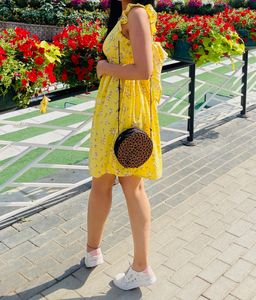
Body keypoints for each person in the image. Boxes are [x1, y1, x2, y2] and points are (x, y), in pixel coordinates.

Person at [85, 0, 168, 291]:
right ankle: (92, 250)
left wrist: (105, 67)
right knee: (102, 181)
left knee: (128, 187)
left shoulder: (135, 13)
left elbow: (143, 69)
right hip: (118, 110)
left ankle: (141, 266)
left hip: (124, 112)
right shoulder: (126, 13)